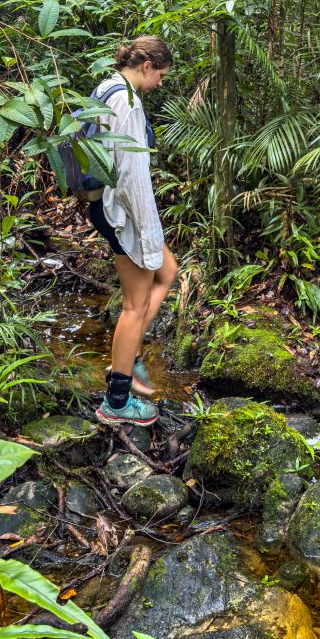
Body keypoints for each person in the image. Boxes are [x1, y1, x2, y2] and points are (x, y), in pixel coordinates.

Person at [88, 36, 180, 426]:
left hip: (105, 205)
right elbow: (131, 176)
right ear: (146, 65)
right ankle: (118, 401)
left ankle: (125, 360)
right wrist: (146, 233)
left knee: (168, 272)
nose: (160, 82)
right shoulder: (126, 101)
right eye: (160, 74)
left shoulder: (106, 87)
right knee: (133, 306)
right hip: (122, 212)